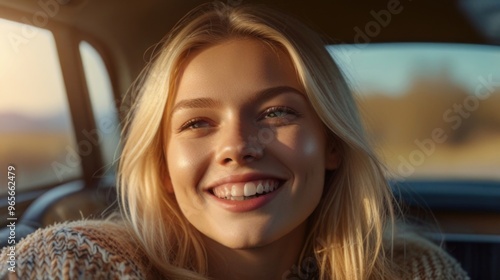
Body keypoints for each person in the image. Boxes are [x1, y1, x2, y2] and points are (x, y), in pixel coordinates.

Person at [0, 2, 468, 279]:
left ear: (332, 144)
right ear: (163, 167)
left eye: (277, 112)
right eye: (197, 123)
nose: (238, 146)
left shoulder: (413, 270)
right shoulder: (75, 260)